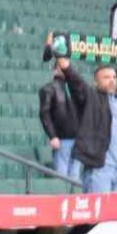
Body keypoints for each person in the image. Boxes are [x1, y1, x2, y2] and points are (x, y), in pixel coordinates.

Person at [62, 56, 117, 194]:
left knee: (115, 210)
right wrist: (66, 67)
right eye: (106, 77)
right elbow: (77, 84)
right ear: (96, 82)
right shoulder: (92, 97)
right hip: (100, 168)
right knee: (98, 208)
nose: (112, 80)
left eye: (114, 77)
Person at [38, 52, 81, 183]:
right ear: (55, 69)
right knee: (63, 179)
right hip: (62, 139)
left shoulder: (75, 88)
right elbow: (44, 114)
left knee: (74, 178)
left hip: (77, 138)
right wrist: (52, 136)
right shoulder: (49, 88)